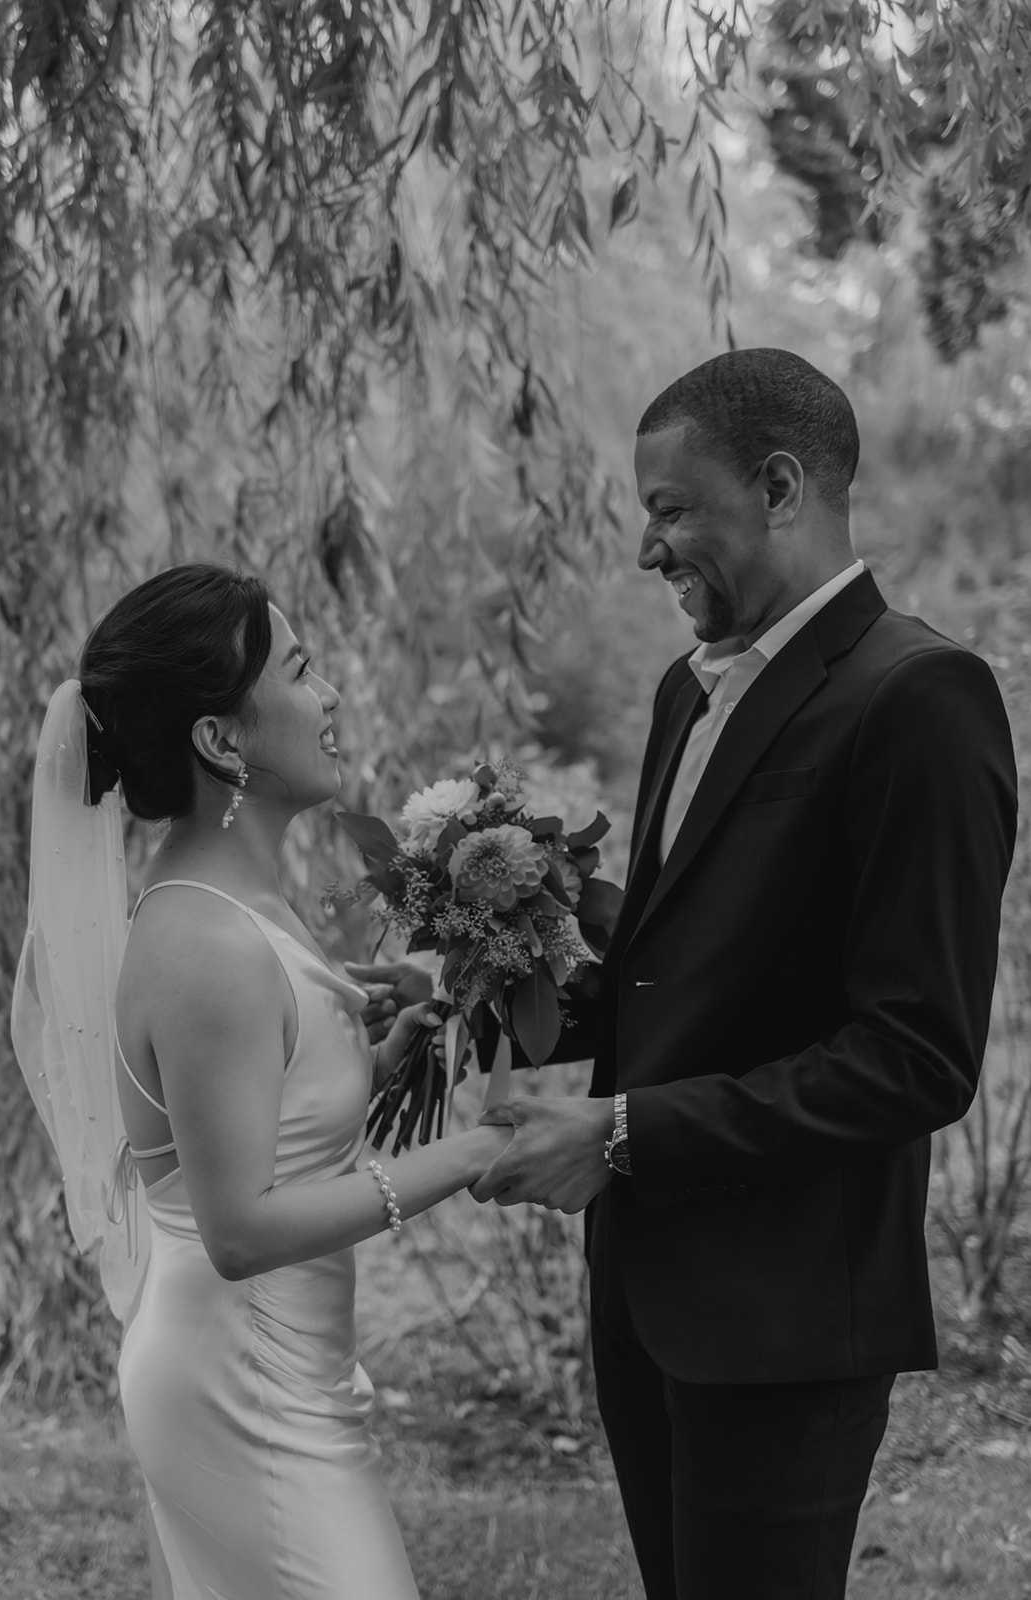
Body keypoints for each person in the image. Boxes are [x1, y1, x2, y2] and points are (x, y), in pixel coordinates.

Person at [360, 347, 1019, 1600]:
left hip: (782, 1319)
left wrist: (616, 1136)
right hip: (646, 1289)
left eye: (671, 510)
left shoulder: (917, 698)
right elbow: (678, 976)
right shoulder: (686, 692)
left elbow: (914, 1056)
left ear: (778, 486)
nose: (647, 550)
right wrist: (472, 1003)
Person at [12, 563, 511, 1600]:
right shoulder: (206, 945)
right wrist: (463, 1156)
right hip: (236, 1382)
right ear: (222, 741)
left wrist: (374, 1055)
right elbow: (237, 1227)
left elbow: (264, 1134)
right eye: (300, 669)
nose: (328, 697)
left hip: (279, 1369)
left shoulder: (243, 909)